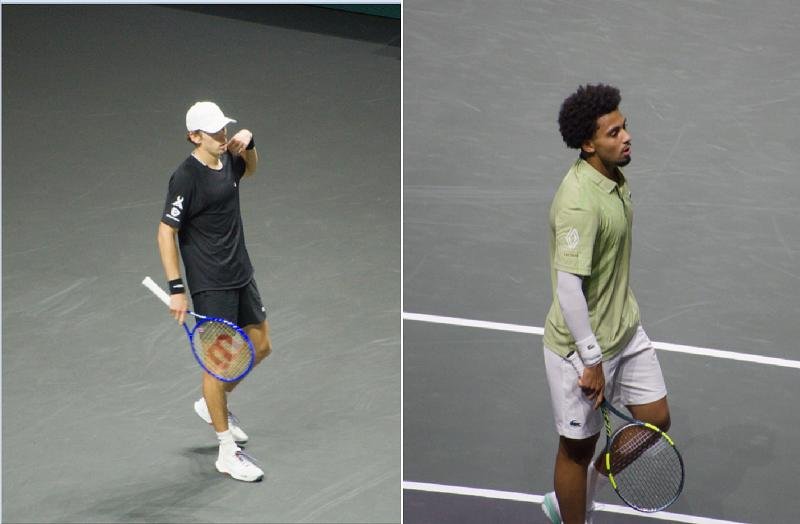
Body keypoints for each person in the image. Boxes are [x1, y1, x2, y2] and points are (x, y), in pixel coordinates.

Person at [540, 84, 671, 523]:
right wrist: (591, 358)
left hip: (625, 328)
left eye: (625, 126)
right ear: (588, 143)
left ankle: (584, 491)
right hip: (581, 348)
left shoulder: (612, 177)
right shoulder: (579, 203)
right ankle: (573, 512)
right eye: (613, 133)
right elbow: (568, 288)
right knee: (576, 451)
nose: (626, 137)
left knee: (655, 420)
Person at [157, 101, 272, 482]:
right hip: (210, 284)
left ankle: (213, 404)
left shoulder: (227, 158)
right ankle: (226, 451)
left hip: (241, 272)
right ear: (194, 137)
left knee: (261, 345)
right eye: (214, 133)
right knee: (218, 366)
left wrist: (249, 144)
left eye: (224, 129)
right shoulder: (185, 177)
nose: (223, 137)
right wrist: (177, 289)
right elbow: (166, 231)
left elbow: (249, 171)